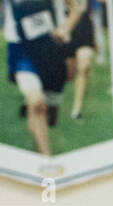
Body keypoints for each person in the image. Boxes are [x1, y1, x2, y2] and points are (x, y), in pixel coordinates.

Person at [3, 0, 67, 157]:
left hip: (49, 48)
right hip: (20, 49)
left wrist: (65, 29)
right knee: (36, 102)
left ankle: (37, 149)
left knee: (48, 111)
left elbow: (77, 7)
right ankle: (46, 160)